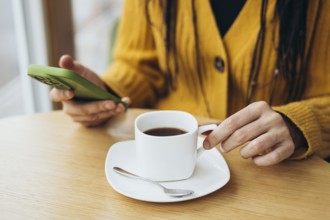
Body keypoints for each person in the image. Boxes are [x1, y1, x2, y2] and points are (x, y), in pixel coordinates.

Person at [50, 0, 330, 166]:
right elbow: (139, 66)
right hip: (163, 167)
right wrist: (104, 94)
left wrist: (298, 124)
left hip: (273, 174)